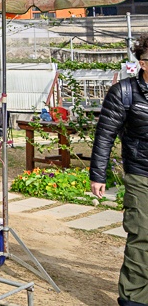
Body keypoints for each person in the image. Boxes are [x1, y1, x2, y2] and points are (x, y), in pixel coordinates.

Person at [91, 34, 148, 306]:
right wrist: (98, 175)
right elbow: (104, 135)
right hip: (141, 173)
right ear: (144, 63)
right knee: (142, 234)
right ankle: (134, 299)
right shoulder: (124, 92)